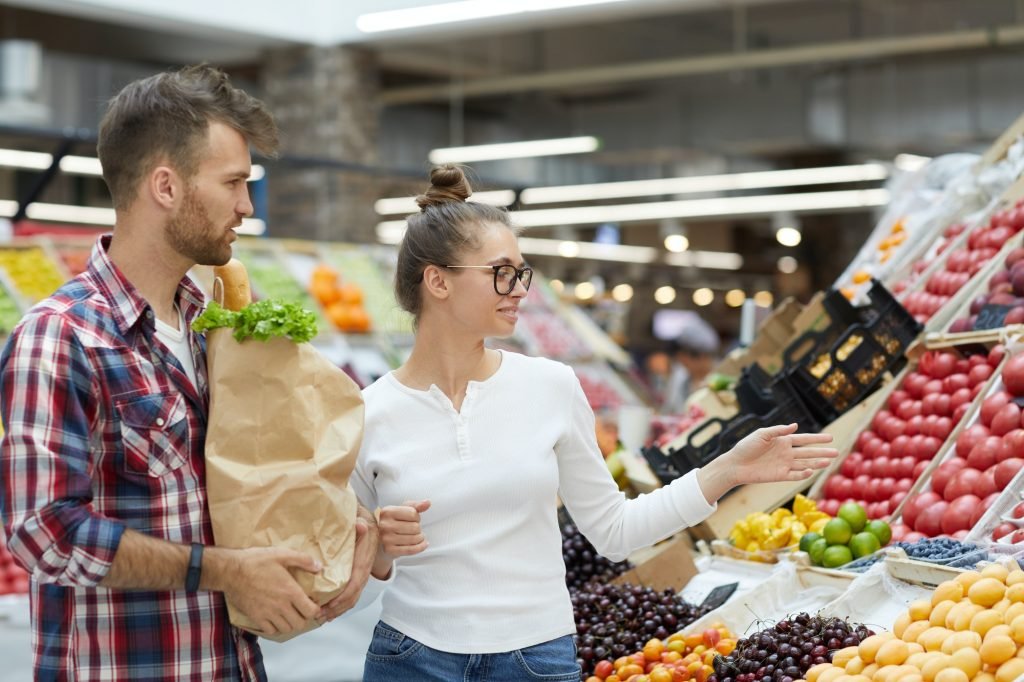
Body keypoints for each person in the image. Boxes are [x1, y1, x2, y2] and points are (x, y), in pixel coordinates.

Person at [351, 165, 838, 682]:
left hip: (535, 661)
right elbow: (349, 587)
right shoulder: (365, 413)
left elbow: (614, 531)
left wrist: (728, 470)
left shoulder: (550, 387)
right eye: (501, 272)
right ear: (438, 281)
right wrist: (379, 548)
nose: (519, 289)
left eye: (521, 272)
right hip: (411, 659)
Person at [0, 64, 379, 682]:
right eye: (233, 183)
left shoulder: (219, 330)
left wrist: (343, 531)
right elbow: (43, 533)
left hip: (228, 663)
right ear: (166, 186)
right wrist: (226, 569)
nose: (245, 206)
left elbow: (245, 485)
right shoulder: (61, 337)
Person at [661, 313, 720, 414]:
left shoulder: (721, 377)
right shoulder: (680, 378)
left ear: (702, 357)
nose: (683, 365)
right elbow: (671, 410)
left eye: (686, 362)